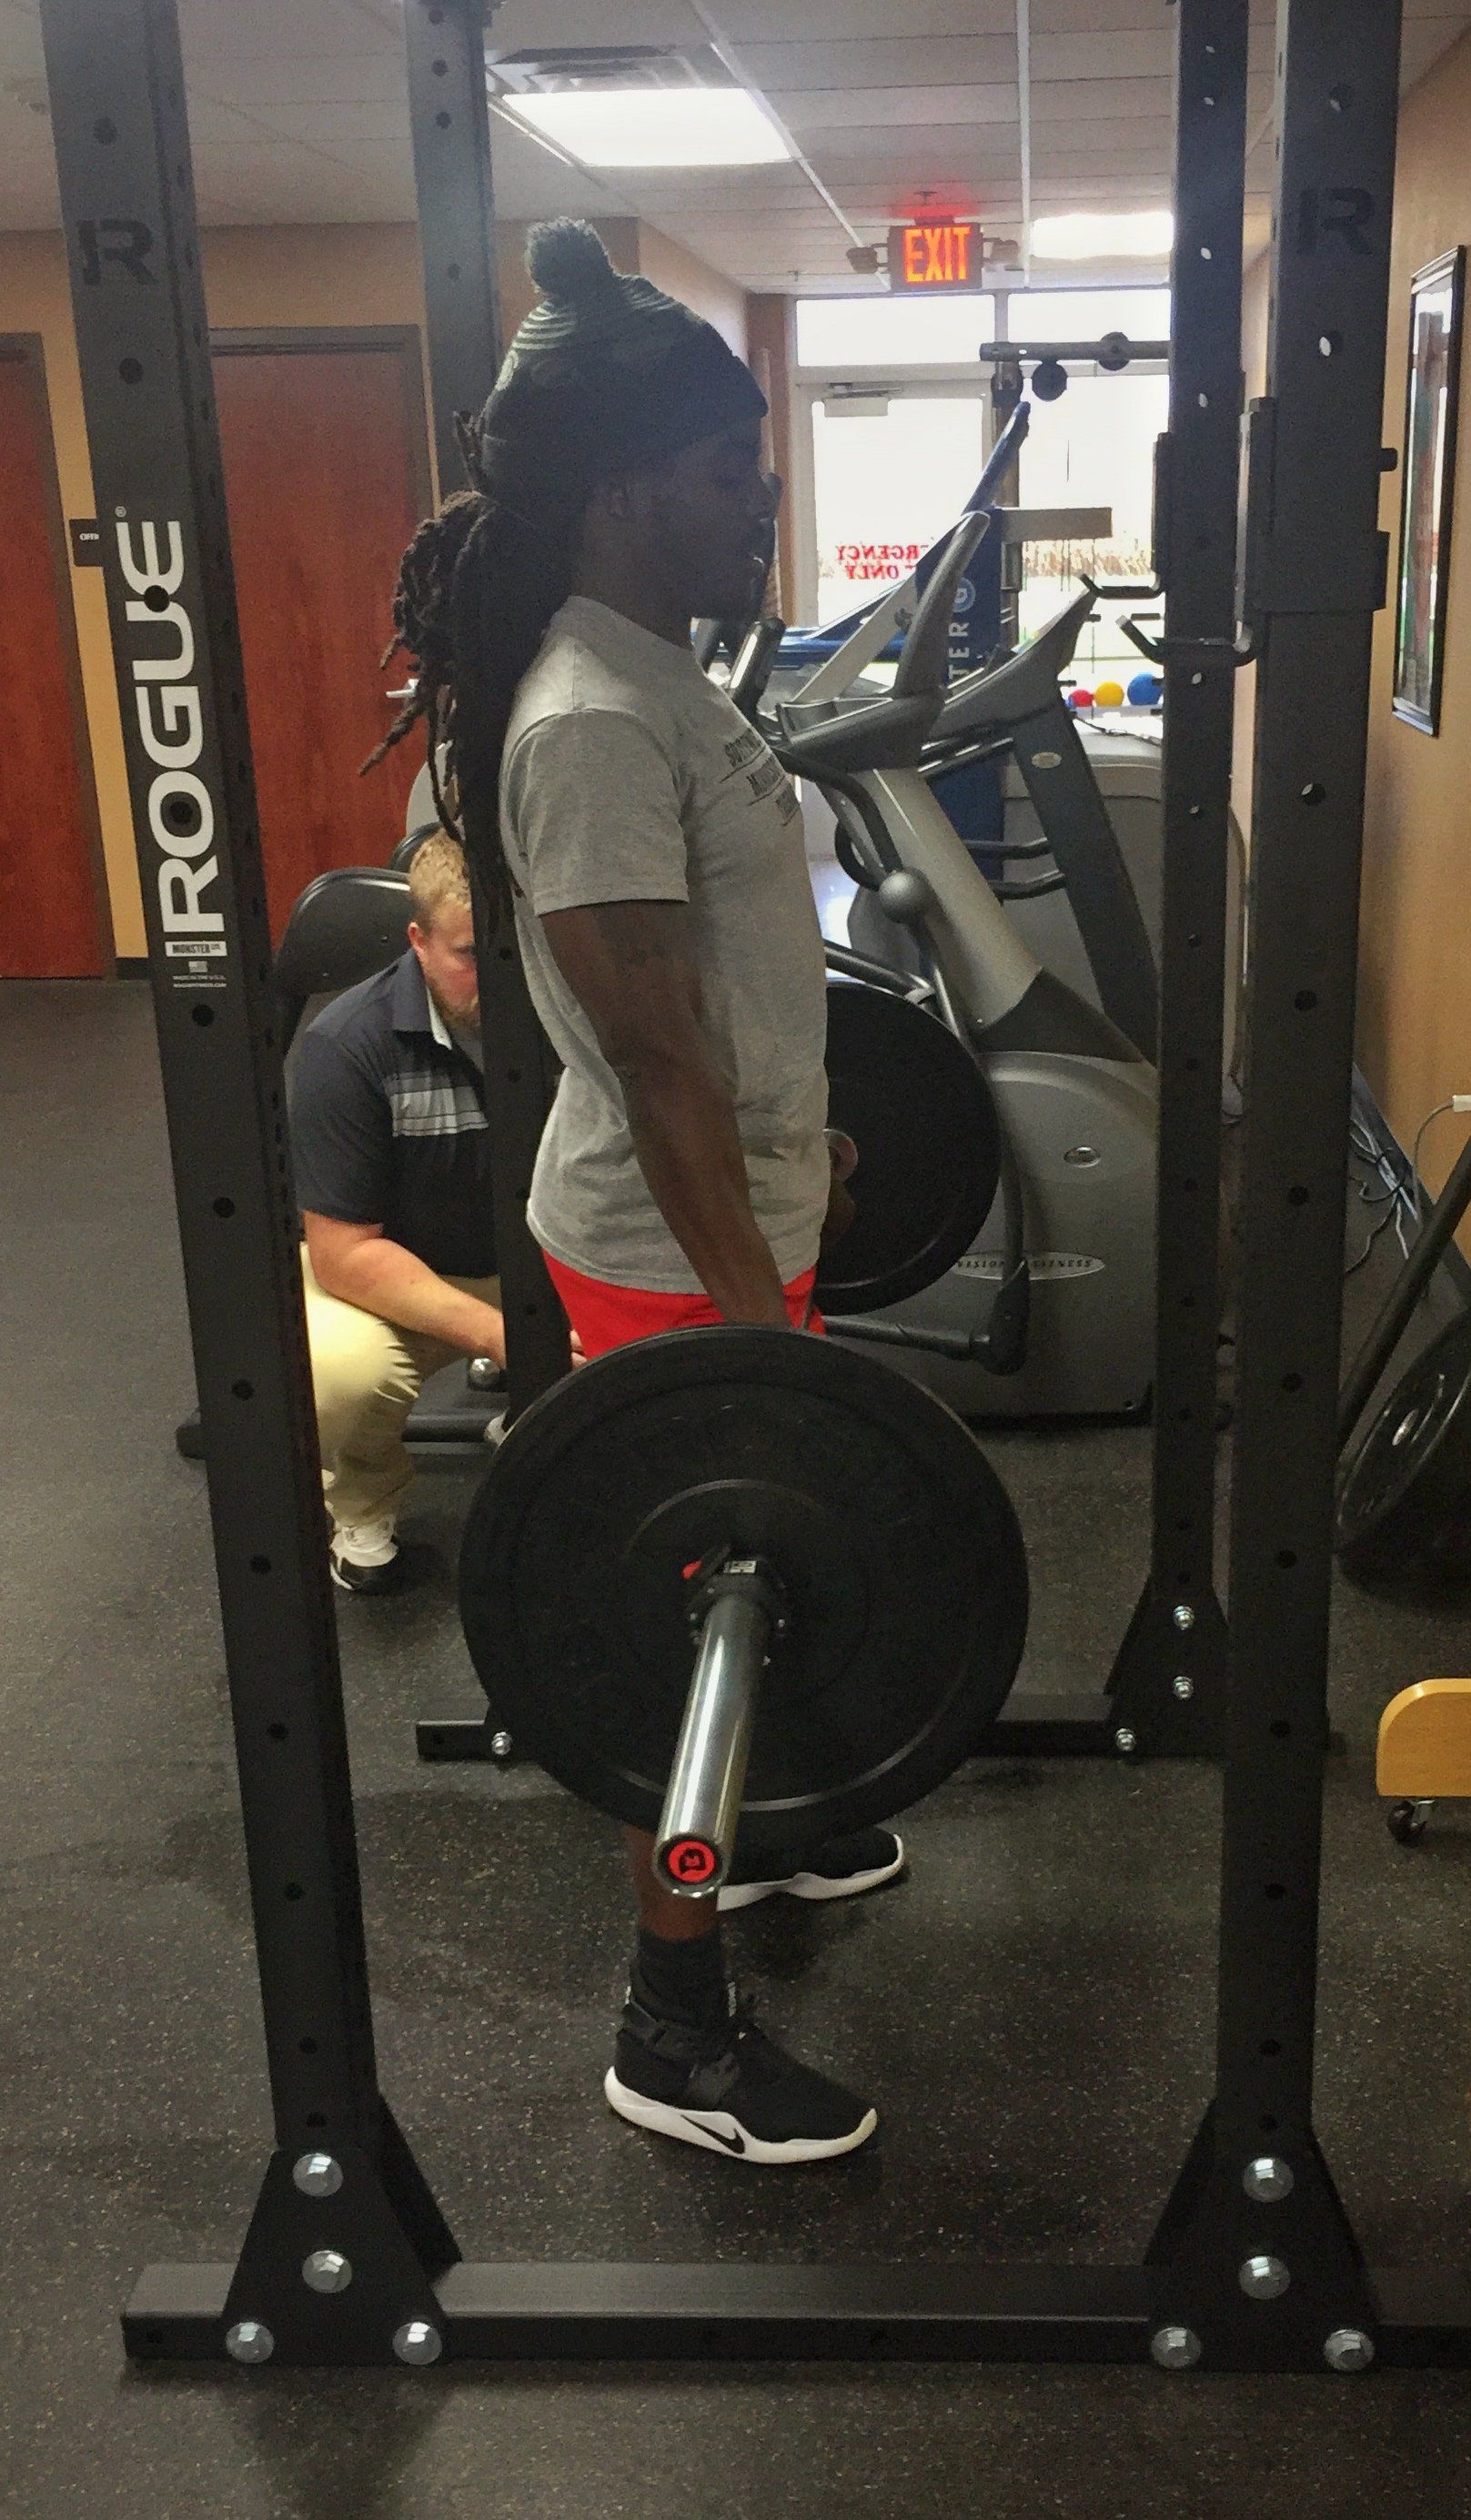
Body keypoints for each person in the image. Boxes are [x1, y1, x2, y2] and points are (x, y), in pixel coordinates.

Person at [370, 220, 899, 2165]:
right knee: (703, 1595)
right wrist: (754, 1297)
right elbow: (651, 1045)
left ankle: (762, 1834)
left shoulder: (654, 673)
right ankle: (669, 2028)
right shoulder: (592, 714)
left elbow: (725, 1005)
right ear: (618, 491)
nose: (757, 504)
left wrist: (802, 1145)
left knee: (756, 1566)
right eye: (724, 475)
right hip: (679, 1254)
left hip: (730, 1211)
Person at [288, 830, 506, 1593]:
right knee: (344, 1378)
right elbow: (346, 1254)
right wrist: (503, 1334)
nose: (499, 976)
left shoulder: (571, 1013)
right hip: (394, 1274)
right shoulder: (346, 1046)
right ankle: (361, 1503)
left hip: (533, 1259)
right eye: (470, 954)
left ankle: (552, 1425)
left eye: (515, 948)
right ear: (418, 940)